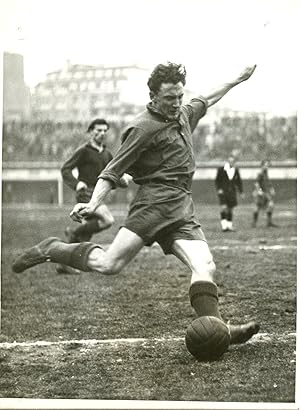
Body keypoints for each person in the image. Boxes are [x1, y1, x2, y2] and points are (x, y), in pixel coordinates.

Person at [12, 62, 259, 351]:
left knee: (205, 265)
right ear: (153, 96)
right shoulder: (142, 128)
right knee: (109, 264)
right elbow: (112, 171)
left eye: (179, 96)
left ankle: (219, 328)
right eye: (169, 98)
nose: (176, 103)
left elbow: (209, 97)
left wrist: (237, 78)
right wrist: (92, 203)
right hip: (152, 205)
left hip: (181, 206)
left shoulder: (183, 114)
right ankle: (52, 248)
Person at [56, 119, 115, 274]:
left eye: (104, 131)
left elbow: (114, 172)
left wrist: (123, 178)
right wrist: (76, 184)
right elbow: (66, 169)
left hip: (97, 195)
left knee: (85, 237)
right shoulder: (83, 151)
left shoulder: (107, 154)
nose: (102, 133)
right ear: (90, 132)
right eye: (98, 130)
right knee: (107, 219)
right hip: (85, 194)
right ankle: (74, 232)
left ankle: (64, 264)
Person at [215, 155, 244, 232]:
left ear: (234, 162)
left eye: (233, 161)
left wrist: (241, 191)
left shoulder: (236, 170)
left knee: (230, 209)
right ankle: (224, 226)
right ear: (227, 161)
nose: (231, 163)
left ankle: (229, 226)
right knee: (224, 208)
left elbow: (239, 182)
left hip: (232, 192)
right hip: (223, 192)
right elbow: (217, 181)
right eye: (230, 161)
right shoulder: (221, 169)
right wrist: (219, 189)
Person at [252, 159, 277, 228]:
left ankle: (269, 222)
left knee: (270, 205)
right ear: (262, 165)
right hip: (261, 193)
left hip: (266, 192)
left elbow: (267, 183)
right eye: (265, 165)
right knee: (257, 207)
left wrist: (271, 188)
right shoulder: (260, 173)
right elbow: (256, 183)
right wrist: (259, 191)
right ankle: (254, 223)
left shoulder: (266, 173)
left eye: (268, 165)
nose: (267, 166)